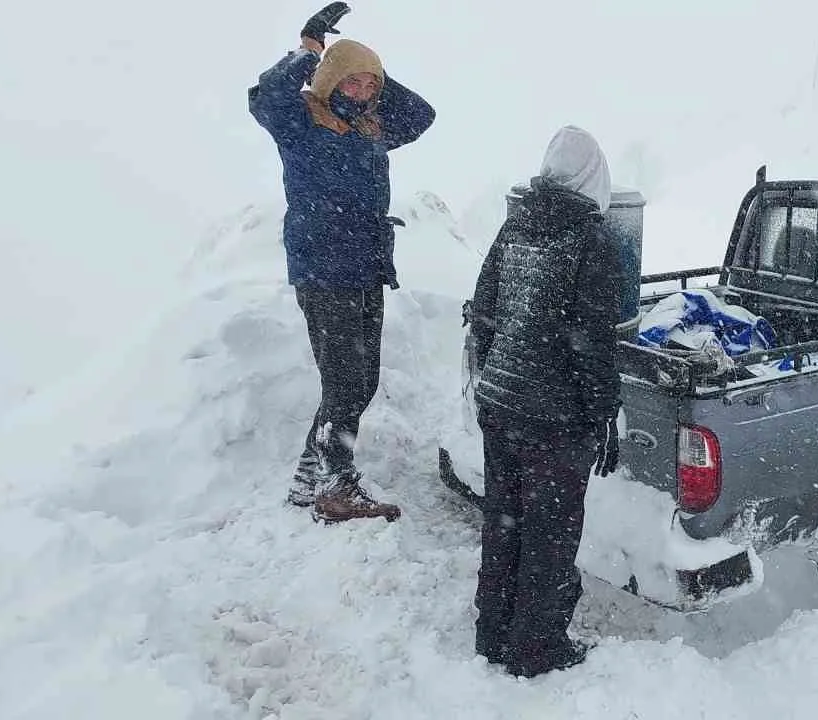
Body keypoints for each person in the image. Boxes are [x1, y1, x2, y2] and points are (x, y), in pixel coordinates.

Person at [249, 3, 436, 523]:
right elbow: (266, 98)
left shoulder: (371, 131)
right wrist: (312, 50)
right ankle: (335, 487)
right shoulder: (301, 125)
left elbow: (421, 115)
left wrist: (366, 63)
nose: (362, 92)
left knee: (361, 379)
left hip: (365, 268)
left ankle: (311, 478)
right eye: (350, 83)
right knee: (345, 383)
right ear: (328, 82)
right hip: (324, 269)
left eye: (369, 85)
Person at [464, 126, 622, 678]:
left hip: (501, 403)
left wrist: (493, 372)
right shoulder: (590, 239)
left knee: (504, 523)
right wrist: (604, 413)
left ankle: (493, 633)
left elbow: (482, 310)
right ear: (592, 177)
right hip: (554, 417)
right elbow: (592, 339)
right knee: (549, 537)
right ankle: (538, 648)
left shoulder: (517, 223)